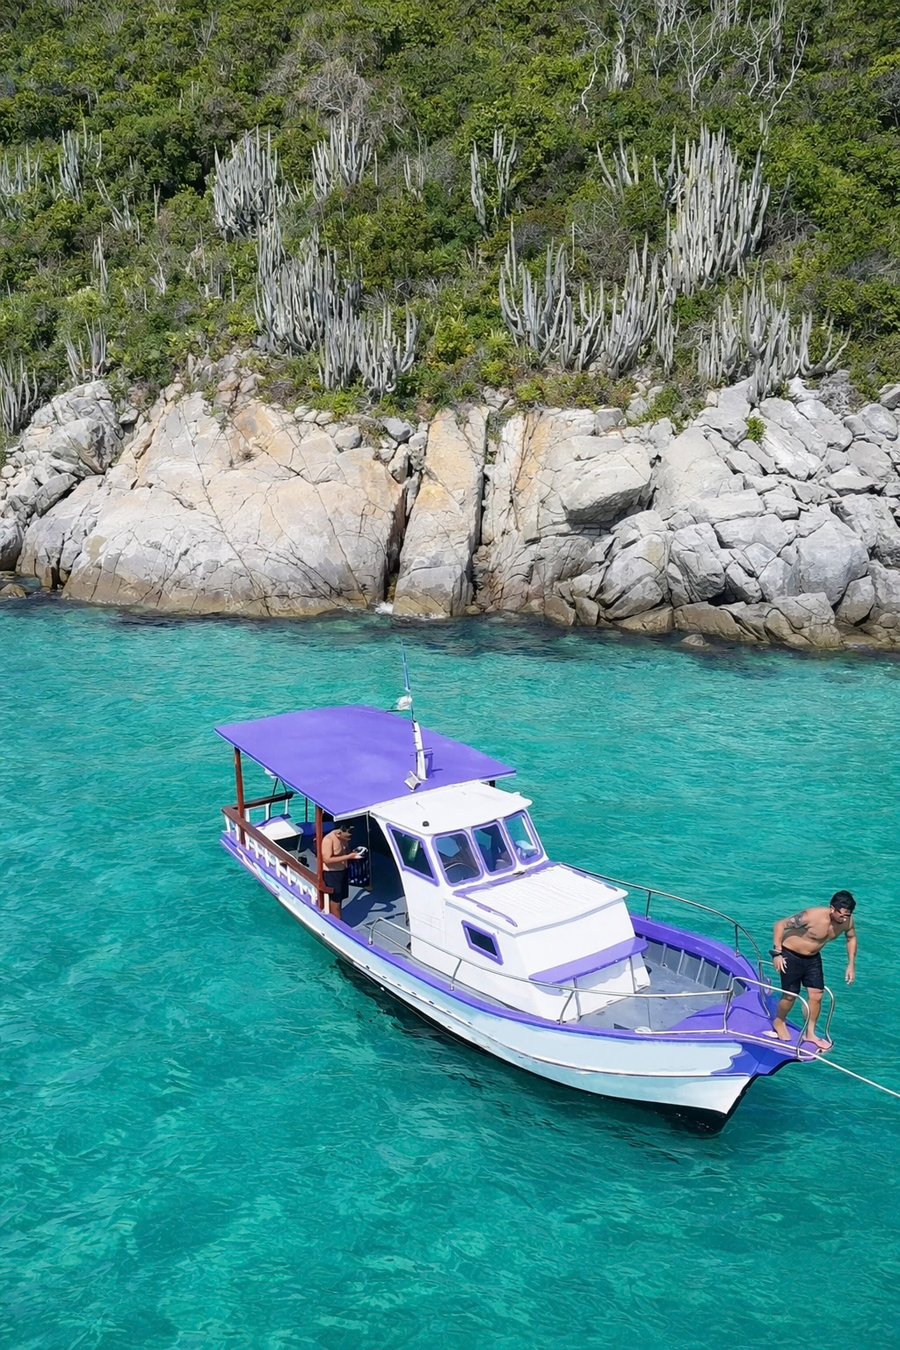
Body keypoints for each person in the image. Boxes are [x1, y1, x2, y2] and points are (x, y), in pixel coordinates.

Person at [770, 891, 858, 1049]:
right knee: (791, 996)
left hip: (813, 958)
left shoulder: (847, 921)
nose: (844, 919)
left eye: (848, 915)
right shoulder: (811, 916)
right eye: (842, 915)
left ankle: (810, 1033)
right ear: (832, 909)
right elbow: (780, 925)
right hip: (790, 954)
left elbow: (851, 937)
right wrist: (777, 953)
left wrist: (851, 964)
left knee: (817, 995)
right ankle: (779, 1021)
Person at [320, 825, 362, 921]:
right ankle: (337, 922)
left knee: (341, 897)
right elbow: (327, 860)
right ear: (339, 833)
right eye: (347, 837)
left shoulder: (344, 837)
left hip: (343, 871)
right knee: (336, 900)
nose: (348, 839)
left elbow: (345, 851)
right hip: (332, 873)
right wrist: (349, 857)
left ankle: (334, 916)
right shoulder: (328, 840)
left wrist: (354, 854)